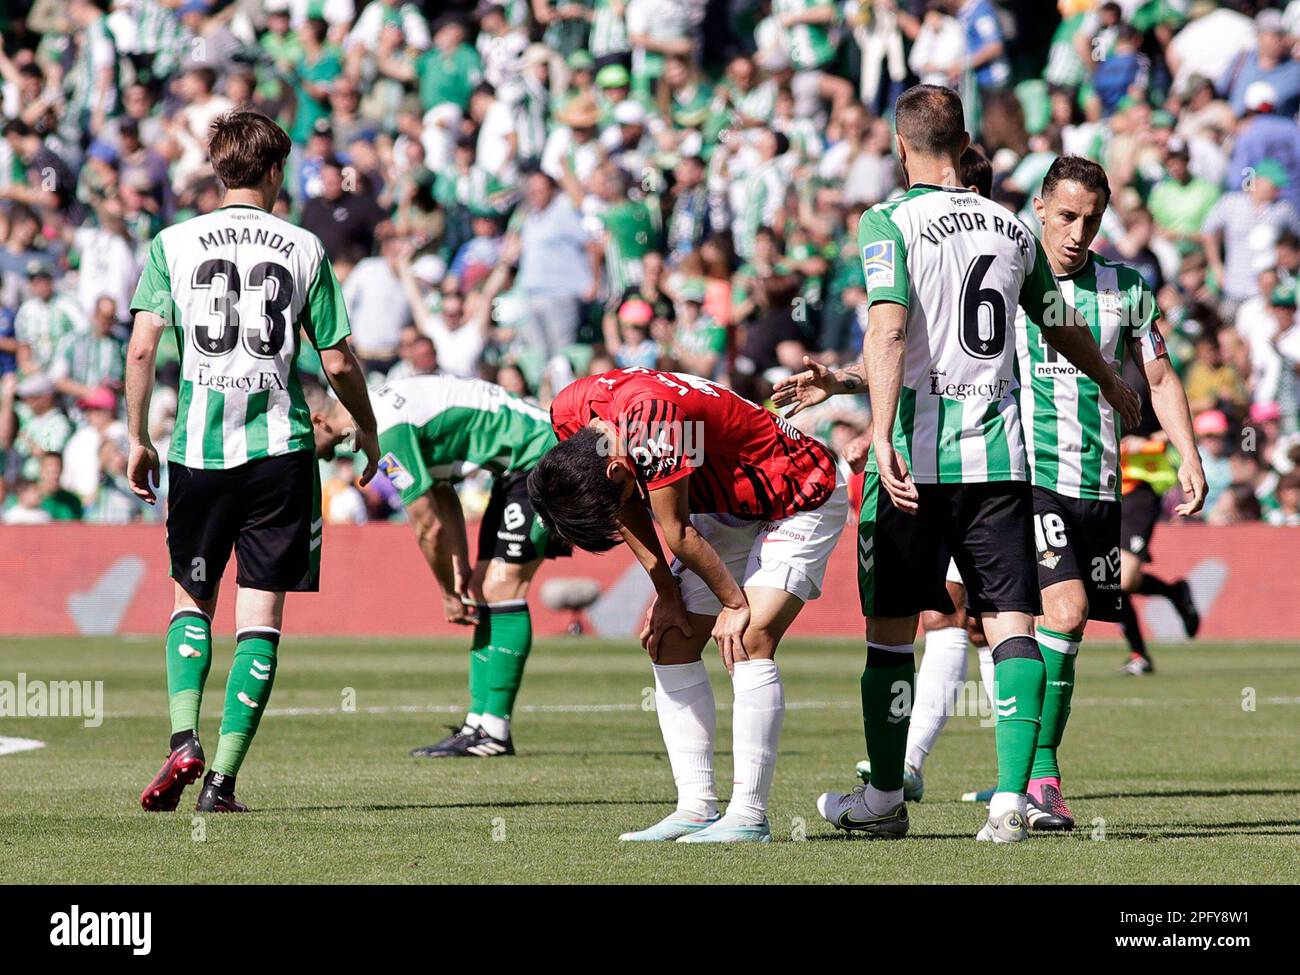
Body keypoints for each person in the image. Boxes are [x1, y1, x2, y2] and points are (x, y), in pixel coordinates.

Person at [773, 85, 1139, 843]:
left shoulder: (890, 220)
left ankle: (882, 797)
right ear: (965, 142)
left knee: (891, 633)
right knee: (1012, 627)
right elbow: (1058, 320)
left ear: (901, 147)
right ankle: (1011, 800)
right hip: (1001, 462)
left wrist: (876, 433)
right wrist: (1108, 378)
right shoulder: (1011, 227)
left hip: (914, 466)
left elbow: (892, 329)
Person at [127, 111, 380, 815]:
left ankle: (184, 736)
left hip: (200, 455)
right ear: (274, 172)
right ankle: (222, 783)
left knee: (191, 599)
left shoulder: (172, 243)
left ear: (216, 169)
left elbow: (144, 345)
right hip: (280, 454)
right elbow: (335, 358)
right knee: (260, 616)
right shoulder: (304, 246)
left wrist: (137, 436)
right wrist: (367, 426)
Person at [527, 366, 850, 843]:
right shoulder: (572, 410)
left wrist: (734, 603)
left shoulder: (651, 421)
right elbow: (629, 504)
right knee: (671, 641)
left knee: (749, 635)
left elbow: (676, 531)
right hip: (724, 506)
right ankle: (696, 807)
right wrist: (666, 596)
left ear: (616, 468)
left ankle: (749, 816)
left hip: (799, 492)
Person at [314, 374, 568, 757]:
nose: (321, 459)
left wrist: (449, 592)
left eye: (308, 448)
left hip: (543, 458)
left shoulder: (387, 428)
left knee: (501, 588)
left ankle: (494, 730)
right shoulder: (381, 415)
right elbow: (442, 491)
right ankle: (480, 724)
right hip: (518, 465)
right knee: (485, 587)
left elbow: (428, 525)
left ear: (318, 420)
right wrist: (460, 566)